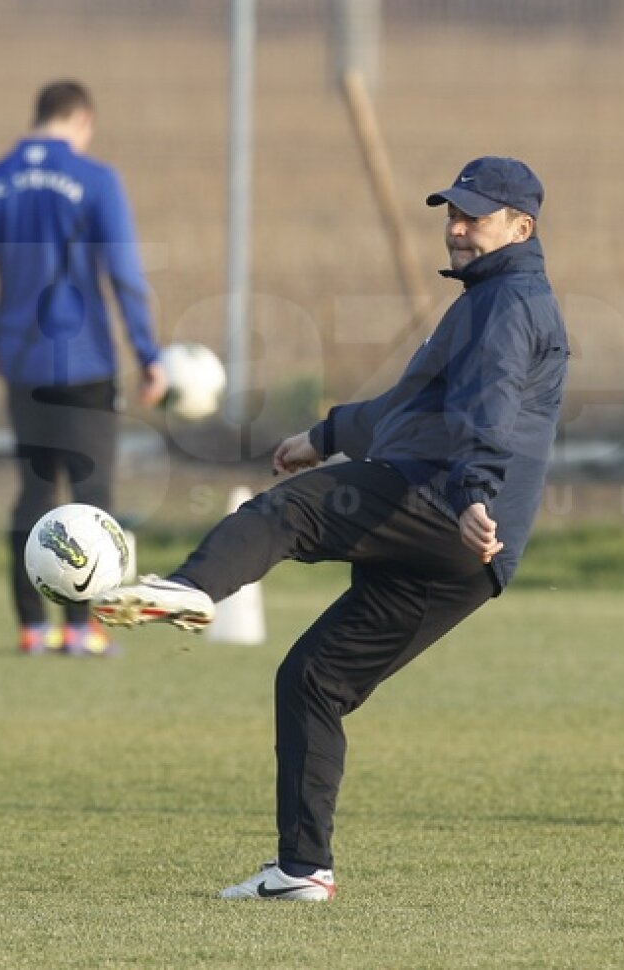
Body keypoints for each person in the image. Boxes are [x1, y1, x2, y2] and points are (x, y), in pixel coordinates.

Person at [92, 156, 568, 899]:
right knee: (314, 679)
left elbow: (491, 406)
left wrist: (475, 491)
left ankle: (190, 588)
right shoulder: (489, 300)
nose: (456, 227)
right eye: (451, 212)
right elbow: (408, 409)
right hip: (470, 557)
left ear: (521, 226)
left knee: (292, 509)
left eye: (473, 214)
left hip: (447, 503)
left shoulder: (507, 305)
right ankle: (301, 871)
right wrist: (325, 435)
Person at [0, 80, 166, 658]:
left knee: (33, 494)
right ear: (82, 121)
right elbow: (123, 273)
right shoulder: (96, 180)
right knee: (91, 496)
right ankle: (81, 628)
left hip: (23, 361)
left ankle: (30, 626)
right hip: (87, 358)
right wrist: (148, 355)